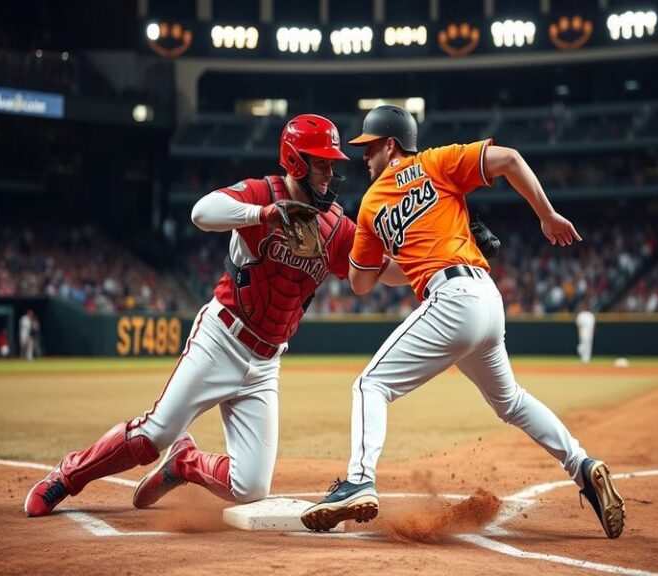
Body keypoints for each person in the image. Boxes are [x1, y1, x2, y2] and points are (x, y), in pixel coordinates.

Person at [24, 114, 407, 517]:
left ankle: (184, 462)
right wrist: (263, 214)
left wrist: (426, 265)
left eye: (332, 164)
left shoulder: (335, 227)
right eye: (322, 163)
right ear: (295, 161)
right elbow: (202, 212)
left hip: (265, 362)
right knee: (153, 434)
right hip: (221, 339)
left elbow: (379, 270)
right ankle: (66, 477)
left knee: (251, 487)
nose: (331, 173)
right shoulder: (264, 192)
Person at [301, 105, 626, 539]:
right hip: (486, 299)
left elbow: (362, 283)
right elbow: (510, 159)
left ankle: (359, 479)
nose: (364, 156)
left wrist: (360, 250)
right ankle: (582, 465)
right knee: (510, 401)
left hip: (451, 299)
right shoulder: (437, 163)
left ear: (391, 145)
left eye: (370, 146)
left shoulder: (372, 204)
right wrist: (546, 215)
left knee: (370, 385)